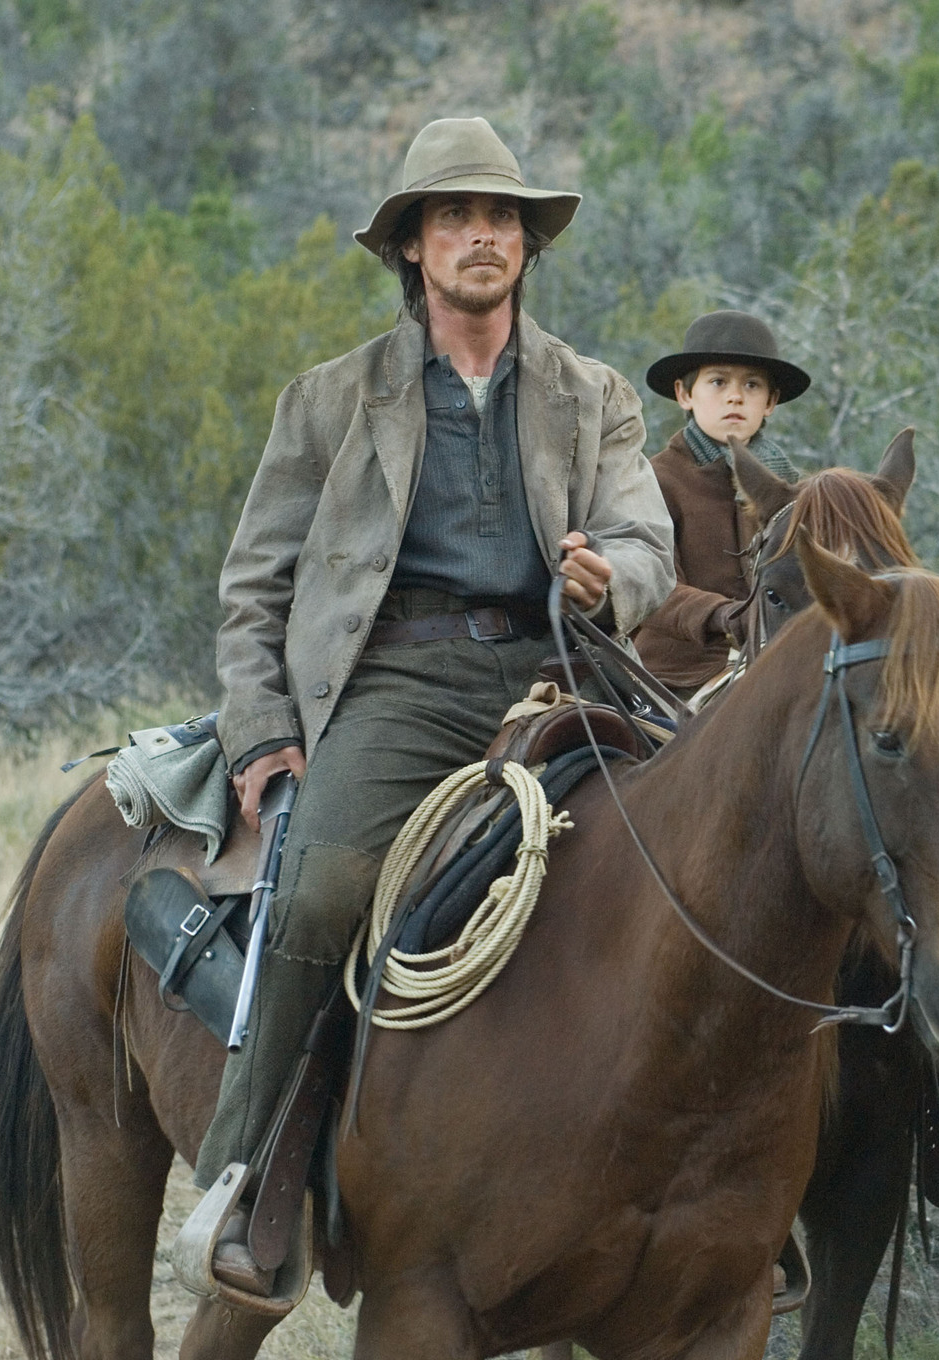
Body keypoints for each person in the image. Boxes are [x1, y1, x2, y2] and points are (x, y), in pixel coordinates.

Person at [201, 116, 675, 1294]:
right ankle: (250, 1177)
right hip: (400, 683)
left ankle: (715, 1197)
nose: (482, 237)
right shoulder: (330, 398)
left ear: (526, 243)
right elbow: (252, 583)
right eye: (455, 217)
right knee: (316, 885)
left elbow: (645, 536)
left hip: (556, 672)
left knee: (715, 844)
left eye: (502, 217)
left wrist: (613, 577)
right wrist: (260, 731)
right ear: (411, 245)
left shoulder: (593, 392)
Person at [632, 310, 812, 697]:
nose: (735, 396)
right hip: (676, 677)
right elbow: (651, 587)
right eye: (718, 382)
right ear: (685, 394)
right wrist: (725, 616)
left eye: (751, 385)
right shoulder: (655, 480)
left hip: (781, 665)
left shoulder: (793, 492)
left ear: (770, 402)